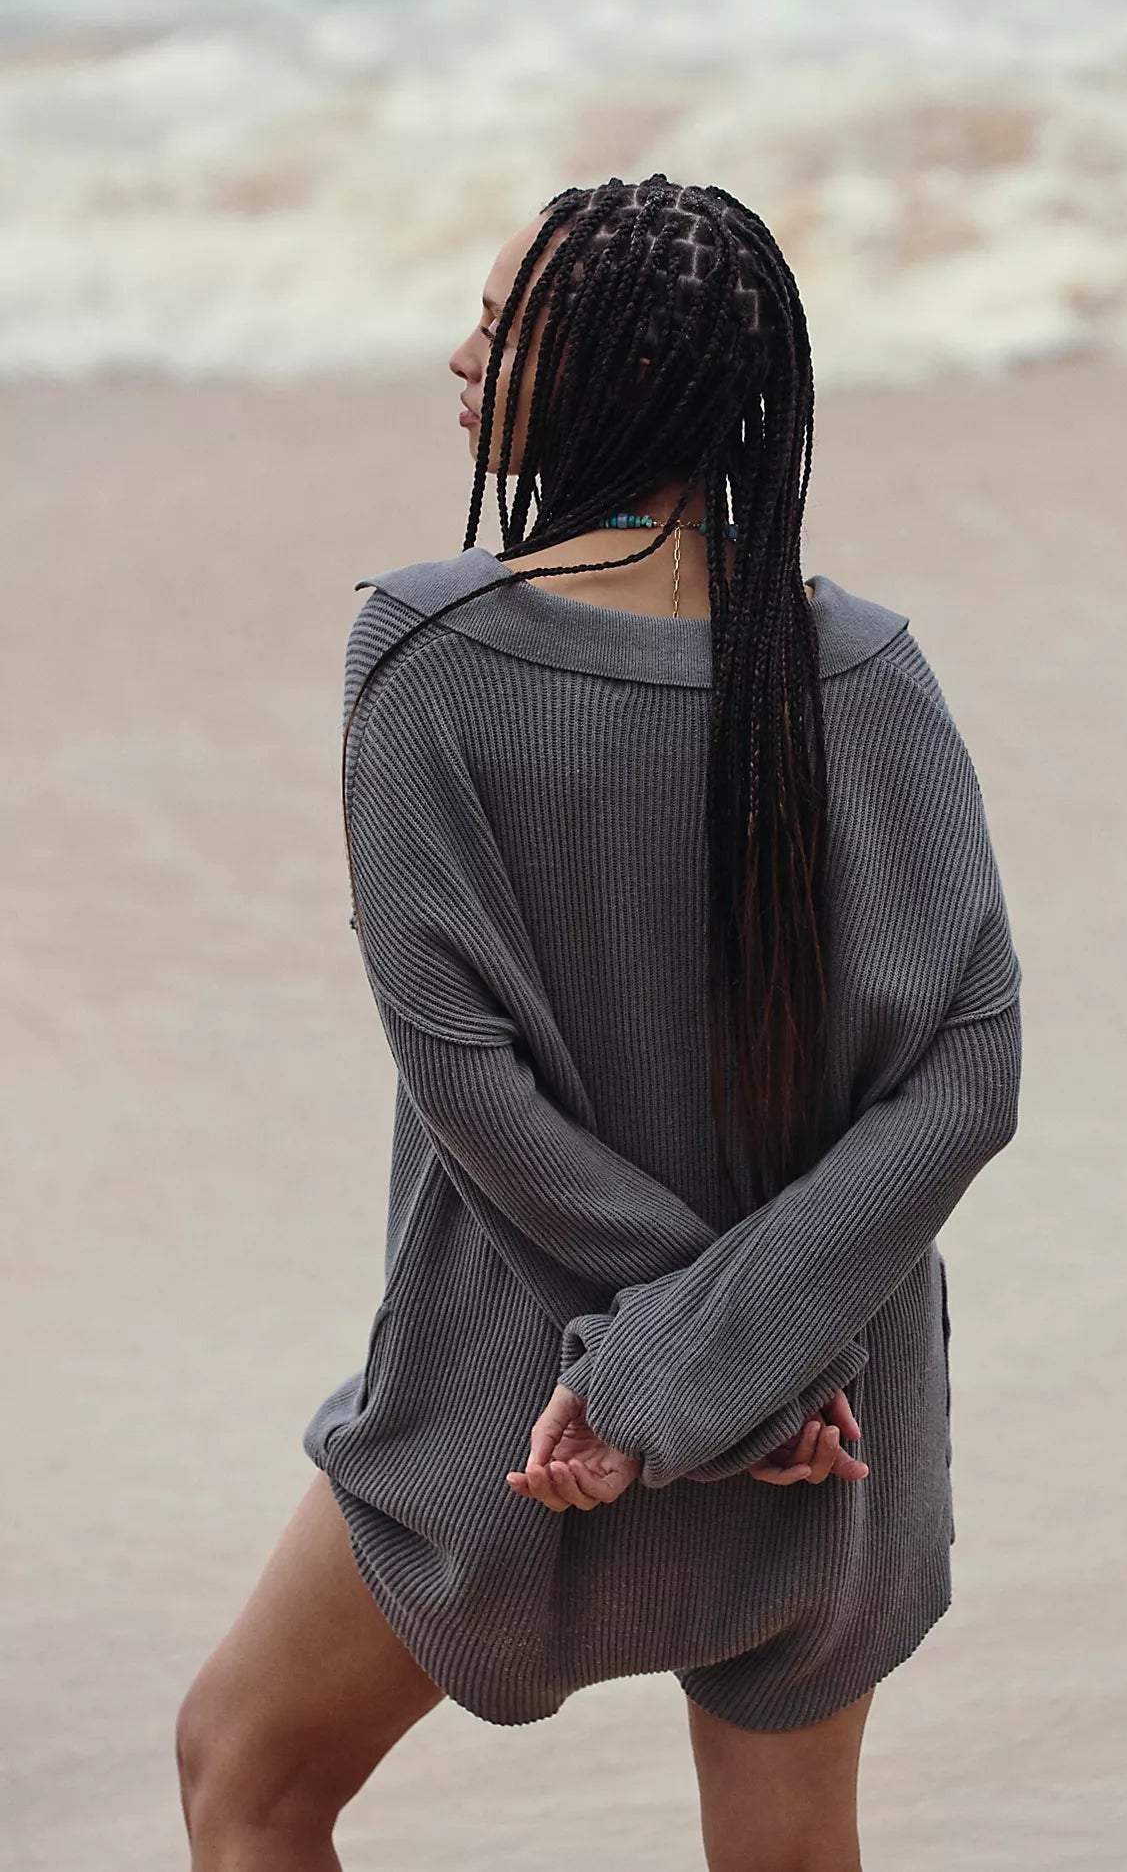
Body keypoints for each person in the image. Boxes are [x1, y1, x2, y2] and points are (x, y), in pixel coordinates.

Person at [175, 173, 1023, 1872]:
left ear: (613, 372)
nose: (457, 356)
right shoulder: (862, 666)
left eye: (496, 326)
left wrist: (655, 1380)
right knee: (786, 1853)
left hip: (532, 1388)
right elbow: (965, 1075)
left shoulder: (426, 649)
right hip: (826, 1386)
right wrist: (752, 1371)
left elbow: (465, 1076)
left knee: (247, 1778)